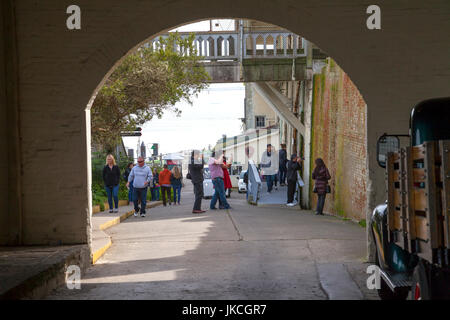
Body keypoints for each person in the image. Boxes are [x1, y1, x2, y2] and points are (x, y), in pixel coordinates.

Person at [189, 150, 205, 214]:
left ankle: (197, 208)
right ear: (195, 155)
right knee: (199, 194)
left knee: (198, 194)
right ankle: (196, 209)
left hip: (197, 179)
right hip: (197, 180)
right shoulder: (193, 161)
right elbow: (201, 166)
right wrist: (202, 159)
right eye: (198, 155)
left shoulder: (193, 161)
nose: (199, 156)